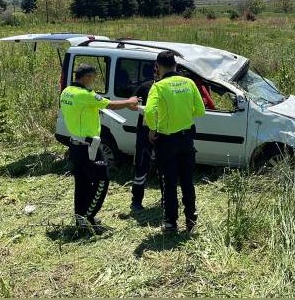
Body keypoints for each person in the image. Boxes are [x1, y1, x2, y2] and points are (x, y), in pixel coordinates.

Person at [60, 63, 138, 230]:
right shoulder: (85, 95)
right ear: (86, 77)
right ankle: (87, 220)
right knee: (102, 180)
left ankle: (81, 218)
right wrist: (130, 101)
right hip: (89, 147)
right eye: (93, 78)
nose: (93, 82)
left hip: (75, 144)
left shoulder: (67, 91)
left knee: (82, 183)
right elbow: (110, 104)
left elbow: (81, 110)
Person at [144, 51, 206, 233]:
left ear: (158, 66)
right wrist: (184, 115)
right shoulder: (189, 82)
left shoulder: (159, 87)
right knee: (187, 181)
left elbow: (149, 111)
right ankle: (191, 221)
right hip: (187, 138)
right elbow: (200, 110)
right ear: (175, 65)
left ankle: (171, 222)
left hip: (167, 141)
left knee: (169, 182)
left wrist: (152, 128)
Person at [131, 62, 160, 211]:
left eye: (158, 70)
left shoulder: (167, 89)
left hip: (163, 131)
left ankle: (165, 199)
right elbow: (132, 103)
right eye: (154, 71)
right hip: (144, 131)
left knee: (164, 166)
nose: (156, 73)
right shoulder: (145, 87)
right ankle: (136, 201)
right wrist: (140, 107)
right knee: (141, 165)